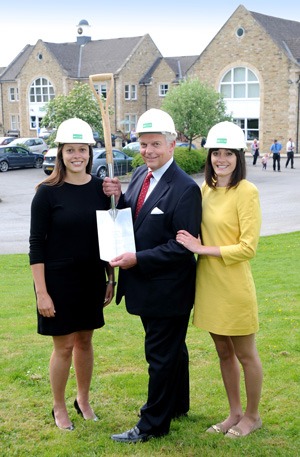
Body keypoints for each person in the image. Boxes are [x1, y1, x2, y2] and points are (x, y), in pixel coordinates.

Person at [103, 108, 202, 443]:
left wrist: (137, 259)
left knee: (159, 356)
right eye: (143, 144)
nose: (148, 151)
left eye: (155, 144)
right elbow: (136, 218)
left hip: (168, 290)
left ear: (172, 145)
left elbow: (182, 247)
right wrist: (118, 197)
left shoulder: (185, 188)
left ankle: (152, 425)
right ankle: (177, 404)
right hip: (148, 288)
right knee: (174, 349)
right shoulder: (141, 177)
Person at [176, 121, 263, 439]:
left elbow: (247, 247)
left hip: (234, 287)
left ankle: (252, 417)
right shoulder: (204, 190)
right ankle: (234, 413)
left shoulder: (246, 192)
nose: (221, 159)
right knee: (223, 352)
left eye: (229, 153)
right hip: (208, 285)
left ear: (239, 157)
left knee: (245, 354)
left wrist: (202, 248)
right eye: (216, 153)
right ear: (210, 155)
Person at [29, 118, 115, 431]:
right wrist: (42, 292)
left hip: (91, 276)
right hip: (57, 280)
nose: (76, 155)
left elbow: (108, 237)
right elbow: (36, 245)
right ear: (60, 153)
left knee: (85, 342)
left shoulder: (100, 189)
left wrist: (110, 277)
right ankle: (59, 407)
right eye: (70, 150)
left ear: (90, 153)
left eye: (82, 149)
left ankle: (83, 399)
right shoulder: (47, 193)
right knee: (63, 346)